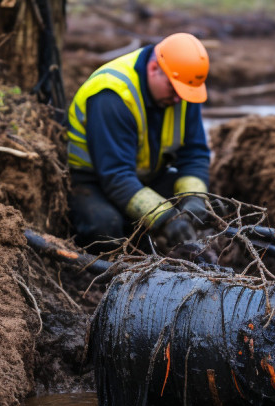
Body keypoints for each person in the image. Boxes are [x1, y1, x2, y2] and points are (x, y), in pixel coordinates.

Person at [65, 32, 212, 253]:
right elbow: (116, 176)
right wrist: (167, 219)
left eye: (184, 93)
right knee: (105, 226)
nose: (178, 99)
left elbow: (195, 154)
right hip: (93, 181)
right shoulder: (112, 96)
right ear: (154, 69)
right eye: (174, 90)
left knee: (206, 207)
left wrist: (194, 201)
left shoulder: (181, 89)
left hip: (145, 176)